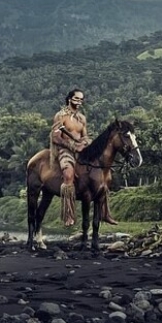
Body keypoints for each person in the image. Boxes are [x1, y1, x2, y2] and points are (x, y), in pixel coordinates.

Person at [49, 89, 118, 227]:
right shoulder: (60, 116)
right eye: (76, 99)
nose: (79, 102)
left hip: (81, 150)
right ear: (69, 99)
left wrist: (87, 143)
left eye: (81, 99)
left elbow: (84, 136)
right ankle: (69, 214)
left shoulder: (82, 119)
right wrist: (73, 146)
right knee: (68, 174)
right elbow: (55, 137)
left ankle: (105, 213)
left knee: (104, 175)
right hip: (65, 150)